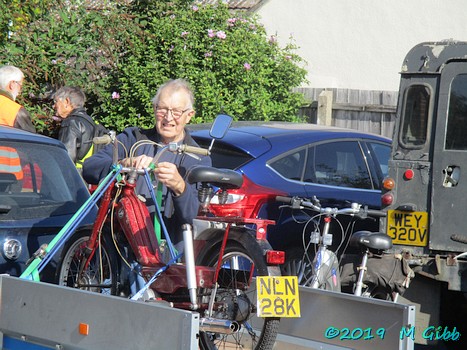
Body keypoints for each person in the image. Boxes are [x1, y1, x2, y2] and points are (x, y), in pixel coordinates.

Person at [82, 78, 211, 245]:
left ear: (189, 116)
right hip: (122, 246)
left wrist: (180, 187)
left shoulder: (199, 158)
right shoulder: (133, 139)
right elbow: (90, 168)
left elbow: (194, 217)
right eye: (162, 109)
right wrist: (124, 164)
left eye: (176, 111)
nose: (168, 117)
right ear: (154, 109)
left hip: (167, 253)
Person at [54, 86, 96, 169]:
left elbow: (66, 159)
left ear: (66, 102)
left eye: (56, 101)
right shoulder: (91, 122)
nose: (54, 106)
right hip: (87, 176)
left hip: (75, 177)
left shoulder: (71, 123)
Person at [0, 65, 36, 133]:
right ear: (12, 84)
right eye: (20, 86)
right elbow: (30, 139)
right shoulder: (15, 110)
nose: (20, 92)